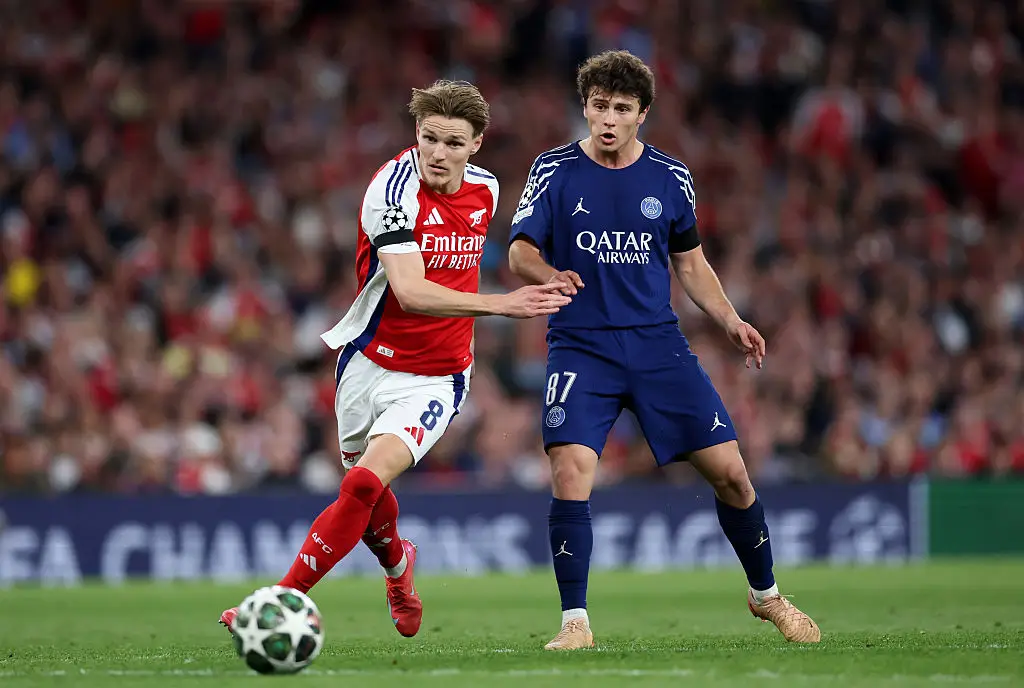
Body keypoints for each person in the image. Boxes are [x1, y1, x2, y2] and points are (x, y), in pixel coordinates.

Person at [219, 80, 571, 637]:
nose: (438, 153)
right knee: (366, 490)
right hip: (367, 362)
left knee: (360, 486)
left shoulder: (487, 189)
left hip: (435, 376)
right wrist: (504, 305)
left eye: (454, 143)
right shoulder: (391, 189)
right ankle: (398, 568)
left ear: (476, 144)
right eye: (429, 137)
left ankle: (277, 600)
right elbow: (411, 292)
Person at [508, 51, 821, 650]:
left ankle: (767, 596)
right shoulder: (553, 170)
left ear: (642, 114)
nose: (607, 119)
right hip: (581, 347)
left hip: (657, 345)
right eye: (599, 106)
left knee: (731, 474)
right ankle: (576, 623)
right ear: (586, 107)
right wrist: (547, 273)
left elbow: (690, 262)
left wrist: (730, 319)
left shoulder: (671, 178)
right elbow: (520, 249)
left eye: (621, 109)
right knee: (570, 470)